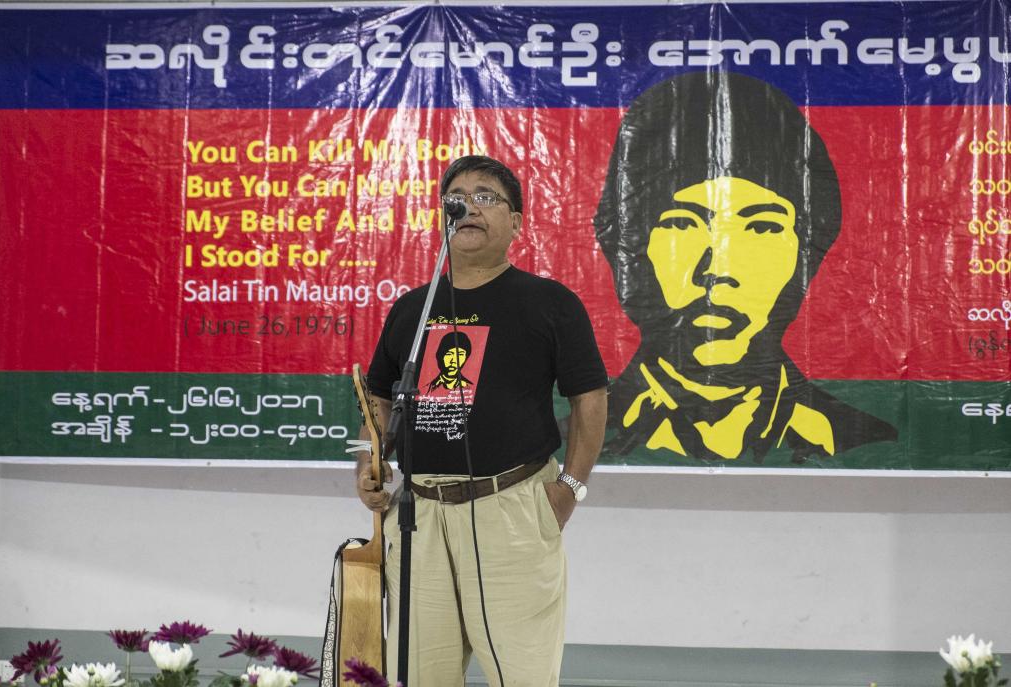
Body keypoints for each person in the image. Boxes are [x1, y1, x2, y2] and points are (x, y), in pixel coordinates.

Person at [356, 155, 608, 686]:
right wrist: (369, 463)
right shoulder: (413, 309)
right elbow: (378, 397)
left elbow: (590, 399)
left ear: (517, 222)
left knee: (522, 677)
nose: (468, 205)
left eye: (487, 196)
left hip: (511, 510)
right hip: (418, 515)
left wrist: (568, 489)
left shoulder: (550, 303)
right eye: (458, 197)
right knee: (421, 676)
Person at [594, 71, 897, 463]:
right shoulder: (569, 441)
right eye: (682, 223)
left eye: (761, 227)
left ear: (808, 253)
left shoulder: (861, 443)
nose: (717, 270)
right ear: (624, 246)